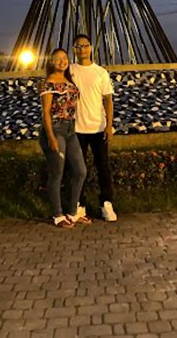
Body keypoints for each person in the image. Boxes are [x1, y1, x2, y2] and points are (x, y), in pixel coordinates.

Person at [39, 48, 91, 228]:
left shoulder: (69, 81)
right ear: (52, 62)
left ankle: (72, 212)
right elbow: (45, 112)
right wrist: (51, 137)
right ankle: (58, 214)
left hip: (70, 129)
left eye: (65, 58)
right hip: (55, 128)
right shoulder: (49, 83)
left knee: (81, 171)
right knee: (57, 173)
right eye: (58, 59)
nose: (62, 61)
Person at [70, 34, 117, 222]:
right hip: (77, 128)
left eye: (85, 45)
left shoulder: (101, 72)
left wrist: (109, 126)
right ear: (74, 49)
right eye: (78, 46)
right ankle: (79, 205)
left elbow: (108, 100)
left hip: (98, 127)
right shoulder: (70, 70)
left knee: (103, 167)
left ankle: (106, 203)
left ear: (91, 48)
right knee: (77, 169)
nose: (82, 49)